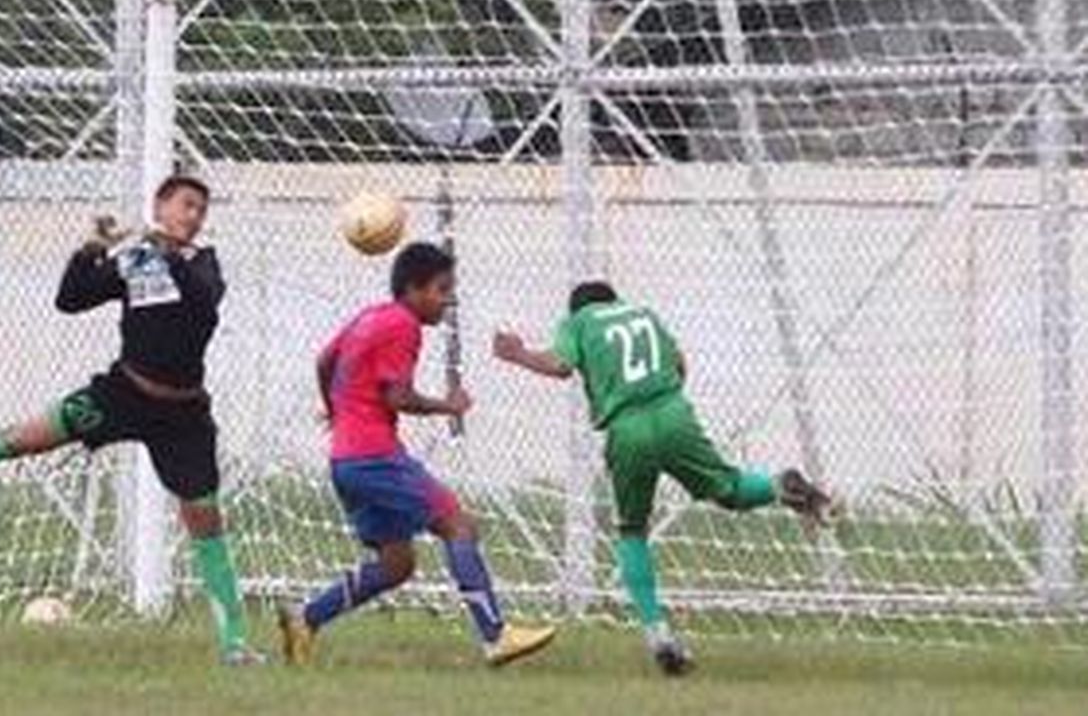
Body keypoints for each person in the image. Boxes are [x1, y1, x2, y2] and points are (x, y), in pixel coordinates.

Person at [0, 176, 263, 666]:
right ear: (161, 206)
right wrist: (93, 249)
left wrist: (165, 252)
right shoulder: (136, 260)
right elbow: (70, 299)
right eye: (186, 205)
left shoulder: (203, 264)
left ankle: (235, 643)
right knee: (35, 435)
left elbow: (202, 301)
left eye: (200, 210)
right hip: (124, 392)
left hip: (183, 415)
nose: (194, 216)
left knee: (205, 522)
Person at [493, 281, 832, 675]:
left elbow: (560, 365)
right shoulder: (644, 313)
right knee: (730, 490)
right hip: (674, 414)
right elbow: (681, 364)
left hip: (628, 429)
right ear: (613, 299)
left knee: (632, 530)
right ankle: (779, 487)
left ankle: (659, 636)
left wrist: (518, 354)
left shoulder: (578, 321)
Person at [279, 242, 556, 667]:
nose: (447, 301)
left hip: (345, 461)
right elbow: (398, 397)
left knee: (396, 564)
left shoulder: (369, 316)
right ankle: (496, 635)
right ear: (413, 289)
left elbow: (323, 360)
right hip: (375, 458)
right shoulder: (403, 325)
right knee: (458, 525)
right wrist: (449, 405)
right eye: (442, 290)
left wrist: (335, 409)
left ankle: (305, 620)